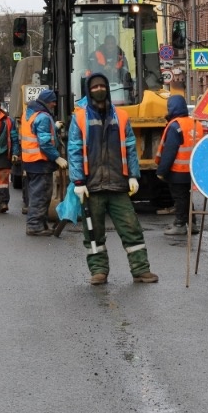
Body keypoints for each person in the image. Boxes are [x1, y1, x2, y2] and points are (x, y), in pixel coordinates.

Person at [68, 72, 158, 285]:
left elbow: (130, 147)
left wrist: (134, 176)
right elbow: (74, 149)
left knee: (131, 228)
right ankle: (98, 271)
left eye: (102, 86)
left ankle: (141, 270)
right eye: (94, 87)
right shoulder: (79, 118)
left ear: (107, 88)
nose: (98, 90)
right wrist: (78, 181)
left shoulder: (121, 116)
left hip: (118, 185)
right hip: (92, 186)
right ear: (88, 91)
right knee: (93, 233)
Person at [21, 89, 66, 237]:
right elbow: (45, 143)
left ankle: (40, 224)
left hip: (30, 161)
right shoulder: (43, 117)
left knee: (36, 194)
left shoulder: (29, 114)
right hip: (40, 162)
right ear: (48, 102)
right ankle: (35, 226)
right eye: (53, 101)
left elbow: (37, 132)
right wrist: (57, 158)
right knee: (40, 196)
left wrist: (54, 127)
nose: (54, 104)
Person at [156, 95, 203, 235]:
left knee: (179, 197)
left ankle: (180, 224)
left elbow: (169, 150)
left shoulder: (175, 126)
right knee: (186, 196)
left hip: (178, 170)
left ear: (171, 108)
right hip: (193, 169)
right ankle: (191, 222)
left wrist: (161, 171)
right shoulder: (195, 123)